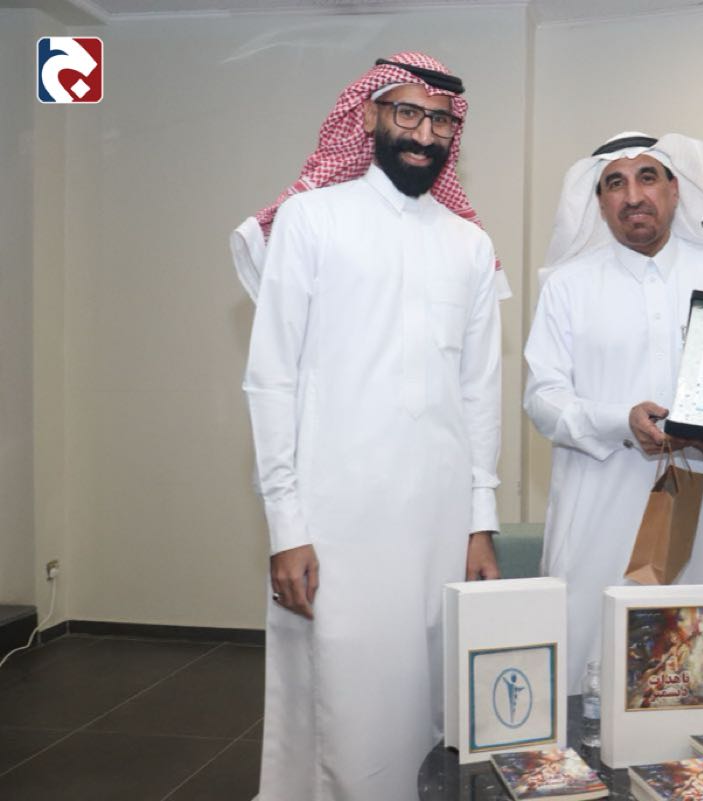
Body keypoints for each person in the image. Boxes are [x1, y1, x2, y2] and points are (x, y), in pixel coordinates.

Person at [232, 52, 508, 801]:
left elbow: (479, 393)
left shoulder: (471, 245)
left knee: (431, 704)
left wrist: (480, 524)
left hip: (439, 521)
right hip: (337, 521)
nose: (423, 134)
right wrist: (285, 526)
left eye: (440, 120)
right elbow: (271, 378)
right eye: (407, 113)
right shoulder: (312, 220)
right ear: (369, 117)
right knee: (342, 707)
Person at [524, 132, 703, 691]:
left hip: (700, 505)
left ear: (675, 189)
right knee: (589, 661)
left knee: (692, 670)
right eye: (616, 183)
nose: (633, 196)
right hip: (597, 508)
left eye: (647, 177)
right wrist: (619, 421)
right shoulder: (567, 285)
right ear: (599, 201)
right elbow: (542, 398)